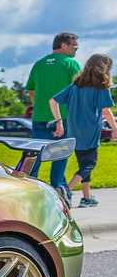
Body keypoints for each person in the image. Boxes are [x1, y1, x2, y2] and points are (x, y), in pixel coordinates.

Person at [49, 54, 116, 208]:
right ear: (104, 69)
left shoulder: (75, 86)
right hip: (90, 131)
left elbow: (53, 101)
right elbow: (106, 111)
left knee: (83, 164)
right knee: (90, 164)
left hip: (74, 131)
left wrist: (59, 121)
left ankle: (86, 198)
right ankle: (66, 190)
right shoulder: (101, 87)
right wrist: (115, 129)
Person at [25, 32, 80, 196]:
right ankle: (59, 191)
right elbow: (78, 91)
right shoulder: (71, 64)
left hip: (40, 118)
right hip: (63, 118)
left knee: (38, 153)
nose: (76, 50)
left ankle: (30, 189)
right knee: (60, 155)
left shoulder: (39, 64)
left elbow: (31, 91)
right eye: (74, 46)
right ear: (64, 46)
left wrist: (41, 107)